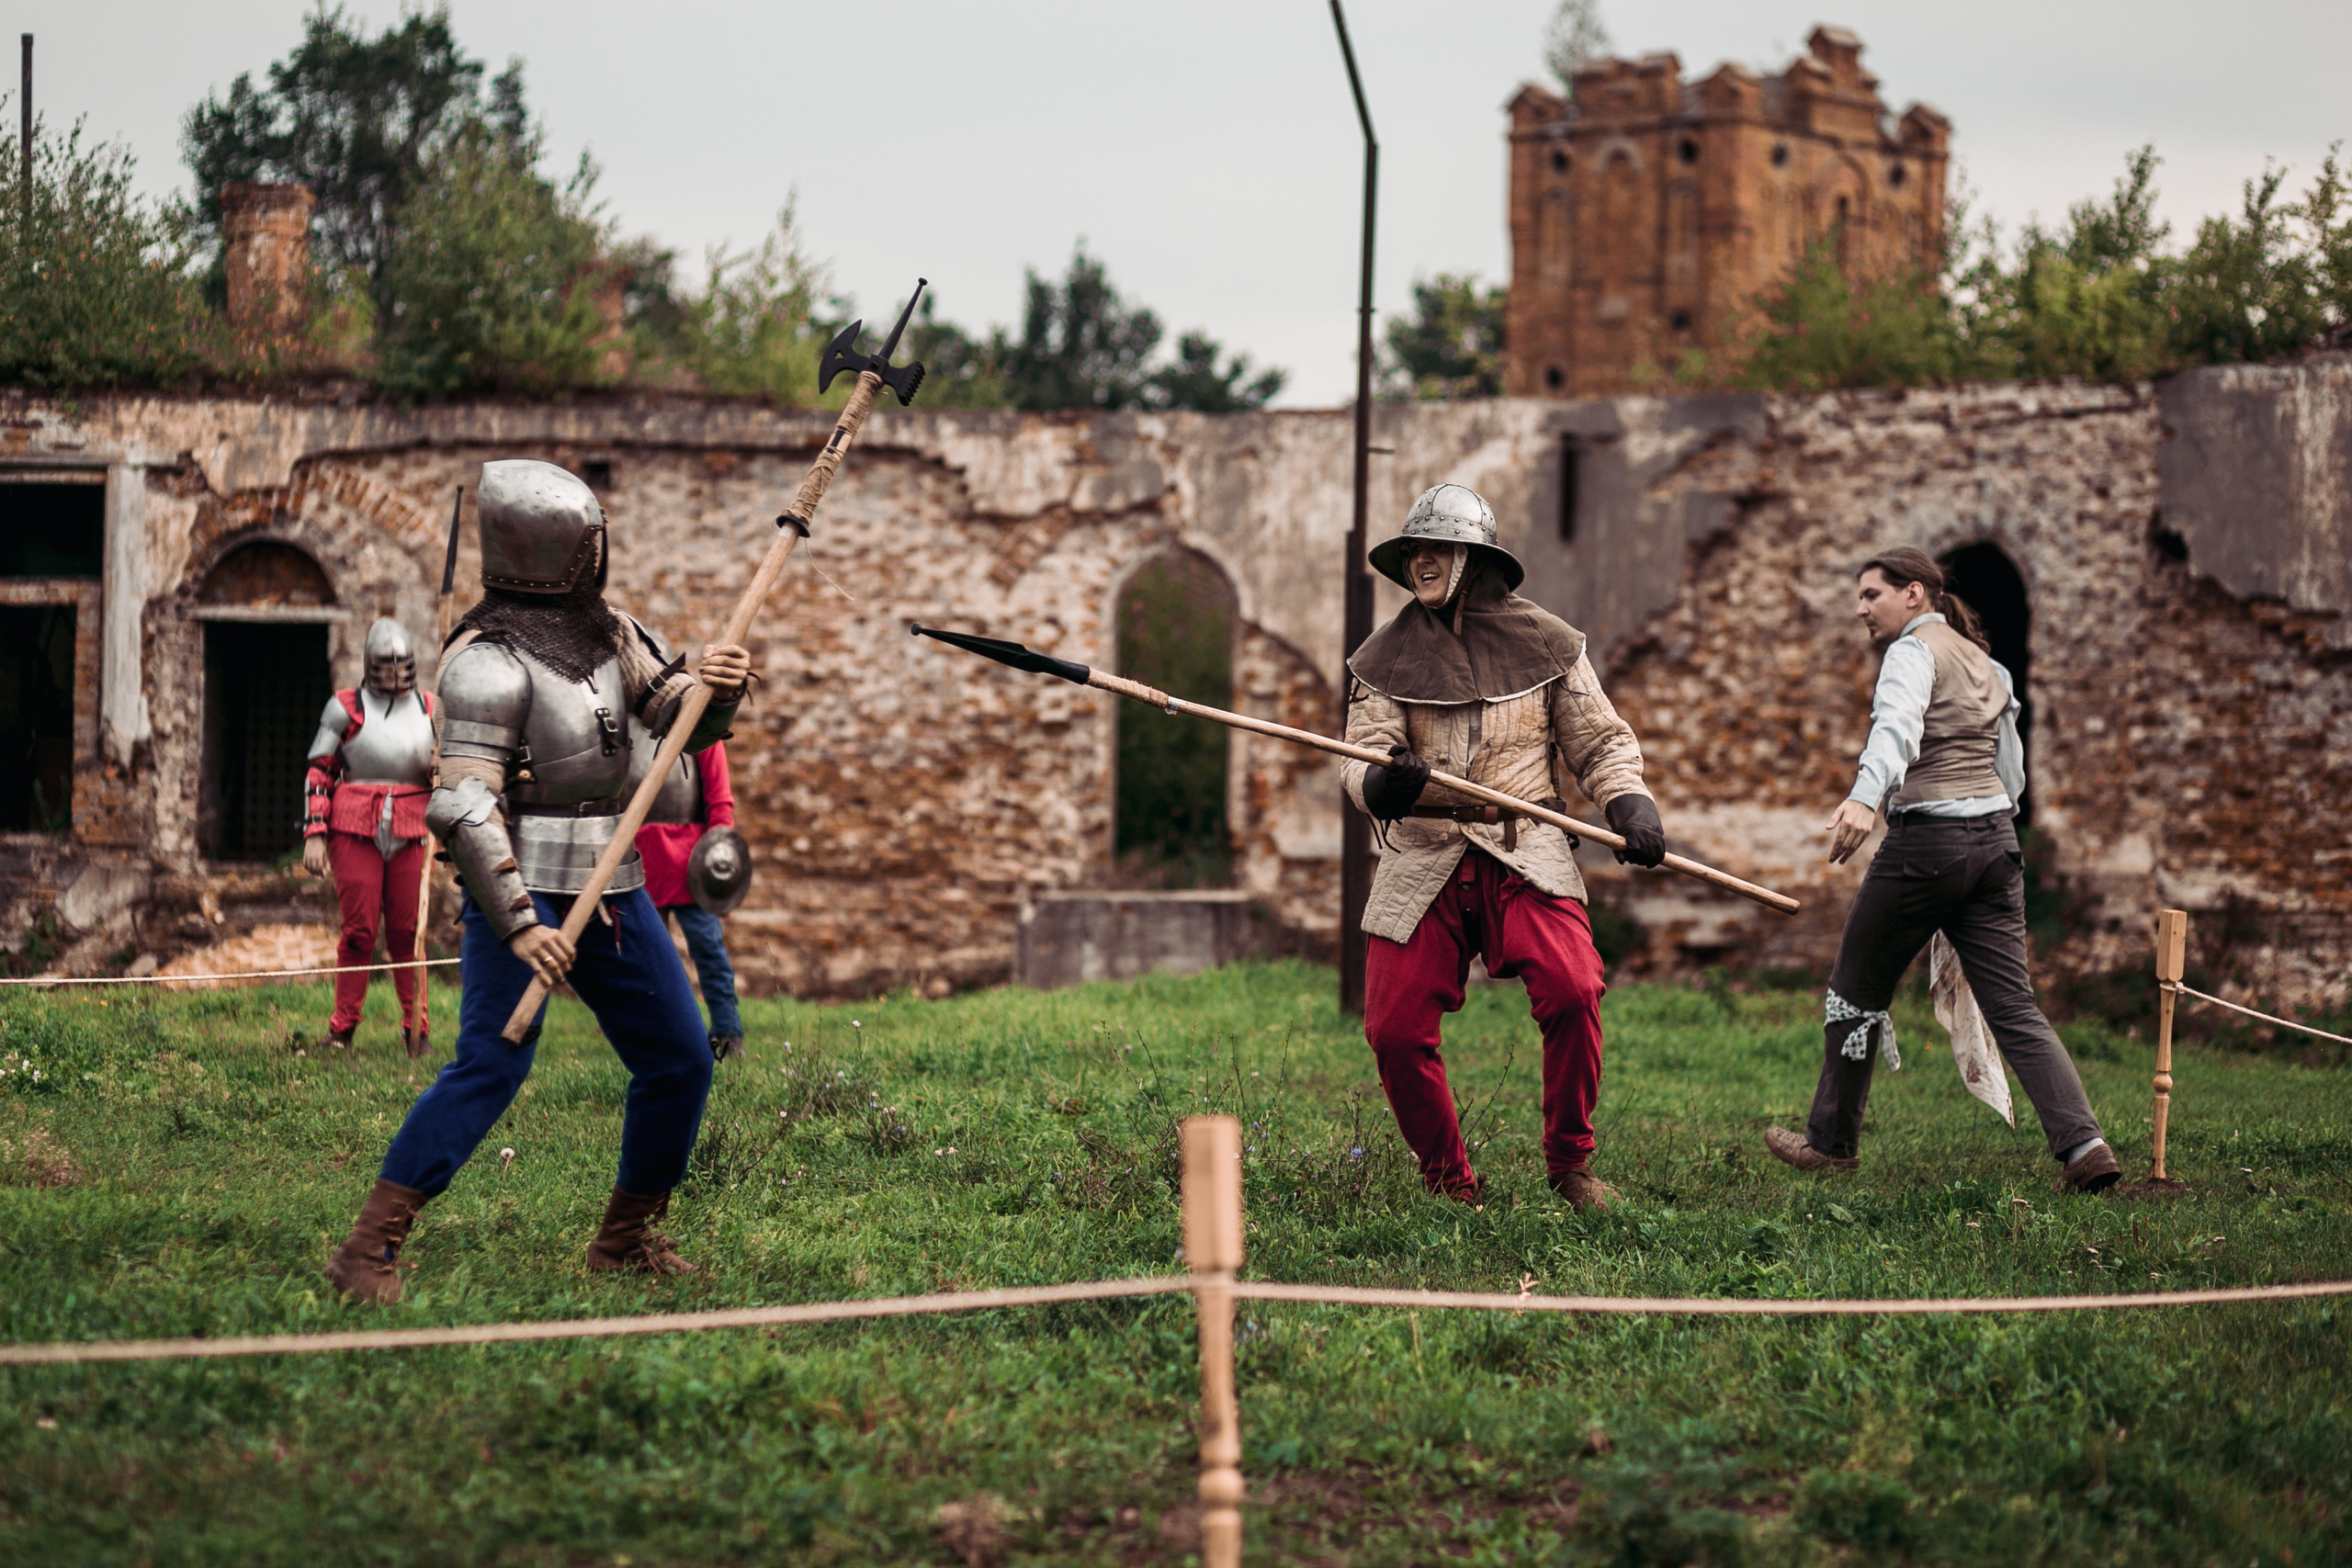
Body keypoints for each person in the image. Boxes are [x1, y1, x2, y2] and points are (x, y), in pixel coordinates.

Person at [323, 459, 751, 1303]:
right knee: (492, 1061)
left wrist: (722, 693)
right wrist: (521, 923)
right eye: (588, 542)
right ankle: (367, 1247)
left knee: (678, 1057)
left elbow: (680, 720)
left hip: (615, 881)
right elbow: (463, 805)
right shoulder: (486, 661)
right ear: (556, 547)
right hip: (522, 881)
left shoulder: (615, 633)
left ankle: (624, 1240)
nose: (598, 555)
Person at [1340, 483, 1667, 1211]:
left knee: (1575, 987)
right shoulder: (1382, 656)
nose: (1420, 560)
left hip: (1524, 848)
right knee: (1391, 1026)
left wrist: (1630, 802)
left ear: (1473, 556)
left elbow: (1601, 740)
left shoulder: (1549, 643)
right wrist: (1387, 783)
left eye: (1436, 548)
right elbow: (1359, 755)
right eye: (1412, 551)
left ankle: (1570, 1165)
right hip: (1424, 851)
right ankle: (1450, 1183)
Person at [1764, 547, 2119, 1192]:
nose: (1860, 607)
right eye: (1859, 594)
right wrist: (1995, 826)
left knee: (1855, 988)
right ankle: (2085, 1145)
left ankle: (1831, 1143)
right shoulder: (1986, 661)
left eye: (1873, 593)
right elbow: (2010, 766)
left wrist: (1865, 798)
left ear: (1916, 593)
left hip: (1928, 844)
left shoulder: (1911, 652)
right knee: (2014, 1003)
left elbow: (1894, 727)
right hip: (1995, 843)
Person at [301, 617, 435, 1057]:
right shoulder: (344, 706)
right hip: (353, 827)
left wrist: (443, 767)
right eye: (386, 664)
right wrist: (315, 834)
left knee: (407, 932)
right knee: (358, 932)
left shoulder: (431, 709)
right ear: (369, 664)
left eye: (402, 665)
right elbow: (321, 772)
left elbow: (453, 776)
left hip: (413, 828)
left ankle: (417, 1031)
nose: (395, 672)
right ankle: (342, 1030)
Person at [631, 717, 746, 1062]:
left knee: (709, 951)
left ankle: (728, 1036)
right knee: (645, 957)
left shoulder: (700, 728)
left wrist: (719, 862)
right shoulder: (620, 723)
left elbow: (719, 801)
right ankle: (657, 1039)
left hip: (690, 863)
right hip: (636, 857)